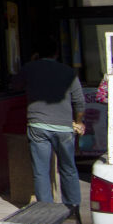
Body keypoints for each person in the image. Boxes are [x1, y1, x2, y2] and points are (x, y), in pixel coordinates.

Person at [10, 36, 86, 210]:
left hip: (38, 126)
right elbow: (79, 102)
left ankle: (46, 208)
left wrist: (30, 63)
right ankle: (72, 206)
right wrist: (78, 121)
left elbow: (15, 85)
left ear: (37, 54)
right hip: (64, 127)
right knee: (68, 168)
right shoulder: (69, 72)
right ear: (57, 53)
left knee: (41, 171)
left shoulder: (30, 68)